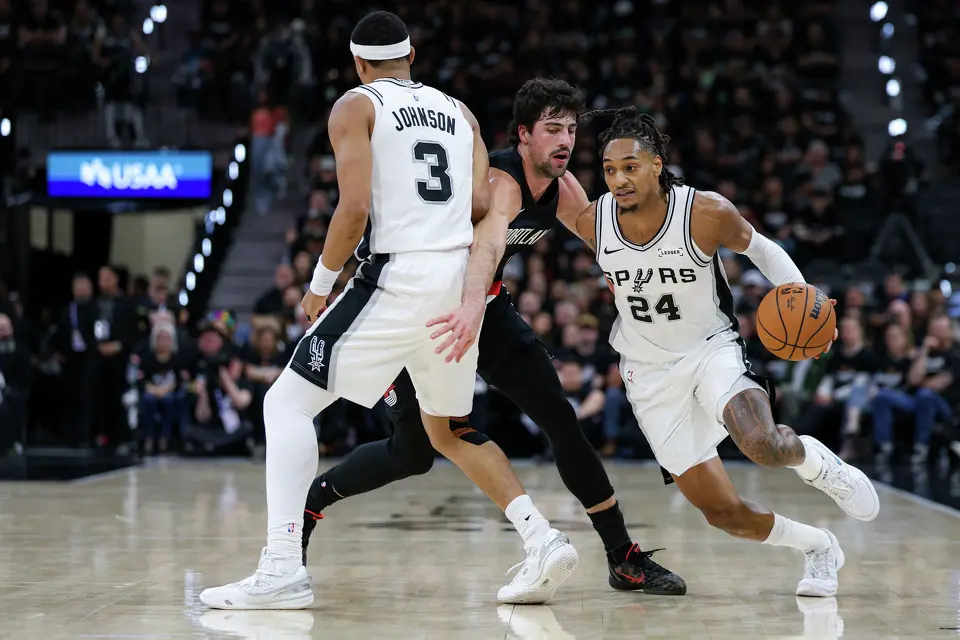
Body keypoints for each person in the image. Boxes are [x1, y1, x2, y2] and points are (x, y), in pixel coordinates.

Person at [200, 12, 576, 610]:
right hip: (455, 282)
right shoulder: (460, 112)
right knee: (446, 430)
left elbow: (351, 209)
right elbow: (479, 200)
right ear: (411, 55)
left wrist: (321, 283)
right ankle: (543, 537)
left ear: (358, 63)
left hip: (400, 273)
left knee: (286, 402)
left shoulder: (356, 104)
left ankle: (280, 568)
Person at [440, 106, 880, 598]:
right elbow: (532, 192)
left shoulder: (705, 212)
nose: (619, 179)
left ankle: (821, 465)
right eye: (609, 170)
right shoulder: (594, 220)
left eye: (630, 166)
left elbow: (761, 248)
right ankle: (818, 546)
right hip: (647, 376)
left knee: (763, 444)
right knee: (723, 514)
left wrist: (808, 300)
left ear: (656, 164)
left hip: (711, 351)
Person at [300, 78, 686, 598]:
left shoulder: (564, 189)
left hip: (482, 309)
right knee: (413, 453)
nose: (565, 140)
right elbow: (486, 245)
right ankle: (313, 499)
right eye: (552, 129)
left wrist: (647, 279)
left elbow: (610, 243)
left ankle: (622, 556)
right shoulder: (501, 182)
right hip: (422, 312)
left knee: (560, 418)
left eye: (571, 129)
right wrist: (465, 307)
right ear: (523, 135)